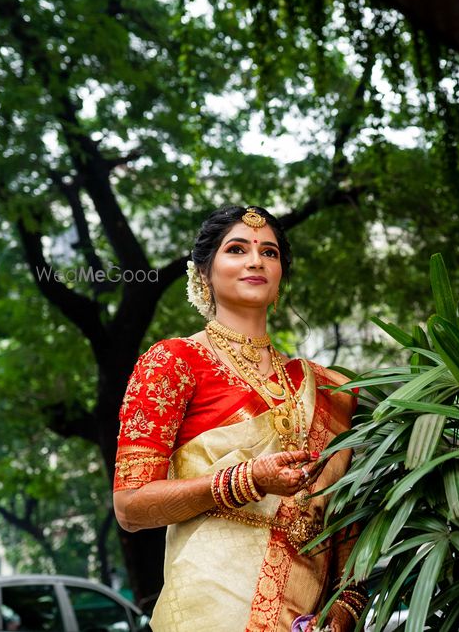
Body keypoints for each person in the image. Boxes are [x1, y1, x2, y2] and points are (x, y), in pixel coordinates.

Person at [112, 205, 366, 632]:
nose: (256, 261)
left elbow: (346, 517)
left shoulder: (331, 389)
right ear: (204, 273)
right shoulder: (174, 363)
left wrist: (347, 605)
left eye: (269, 252)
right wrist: (245, 479)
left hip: (306, 617)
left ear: (281, 273)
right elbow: (130, 507)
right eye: (237, 249)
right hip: (209, 610)